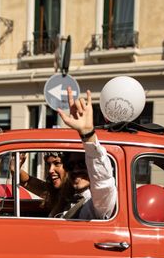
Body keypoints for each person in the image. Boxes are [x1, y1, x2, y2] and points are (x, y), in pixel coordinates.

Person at [55, 87, 117, 220]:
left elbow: (103, 182)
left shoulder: (97, 203)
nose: (76, 170)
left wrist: (88, 134)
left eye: (82, 164)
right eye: (70, 166)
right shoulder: (69, 197)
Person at [14, 152, 75, 217]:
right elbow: (26, 182)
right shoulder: (52, 191)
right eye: (48, 164)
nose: (50, 170)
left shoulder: (80, 195)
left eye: (57, 163)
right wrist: (16, 164)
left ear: (70, 165)